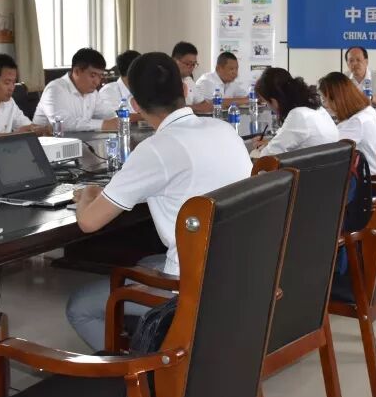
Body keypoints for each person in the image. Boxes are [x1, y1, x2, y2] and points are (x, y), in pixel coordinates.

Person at [66, 52, 252, 351]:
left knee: (80, 306)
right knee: (145, 263)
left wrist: (88, 191)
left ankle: (140, 374)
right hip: (238, 269)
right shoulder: (224, 130)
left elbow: (88, 222)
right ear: (185, 90)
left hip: (189, 285)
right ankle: (158, 343)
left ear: (134, 105)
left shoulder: (156, 149)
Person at [251, 67, 338, 157]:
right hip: (325, 164)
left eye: (266, 102)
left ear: (274, 101)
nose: (268, 106)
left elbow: (268, 156)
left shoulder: (299, 115)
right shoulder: (318, 109)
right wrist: (270, 143)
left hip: (310, 165)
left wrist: (262, 150)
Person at [318, 72, 376, 175]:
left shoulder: (356, 122)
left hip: (371, 181)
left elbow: (327, 151)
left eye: (324, 100)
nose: (325, 105)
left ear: (337, 99)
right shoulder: (368, 111)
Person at [33, 47, 108, 132]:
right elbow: (62, 124)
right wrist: (103, 124)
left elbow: (107, 114)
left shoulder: (92, 93)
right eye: (93, 75)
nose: (97, 82)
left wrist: (117, 120)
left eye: (100, 76)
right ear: (76, 71)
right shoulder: (54, 89)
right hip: (47, 140)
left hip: (80, 140)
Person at [95, 50, 144, 126]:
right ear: (133, 72)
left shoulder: (144, 89)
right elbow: (116, 116)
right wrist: (146, 116)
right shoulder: (108, 91)